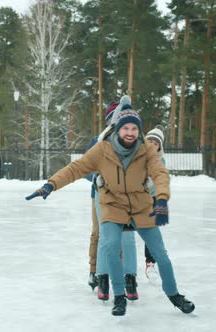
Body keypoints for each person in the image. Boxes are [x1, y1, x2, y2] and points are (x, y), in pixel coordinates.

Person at [26, 96, 195, 317]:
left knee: (160, 254)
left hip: (141, 206)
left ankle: (175, 296)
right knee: (111, 247)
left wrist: (161, 197)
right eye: (126, 127)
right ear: (117, 129)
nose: (130, 132)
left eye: (135, 128)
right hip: (113, 205)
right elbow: (76, 168)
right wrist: (51, 184)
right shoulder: (102, 149)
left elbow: (160, 174)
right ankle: (119, 296)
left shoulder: (147, 150)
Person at [85, 101, 138, 302]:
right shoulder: (99, 140)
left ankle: (125, 275)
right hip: (99, 194)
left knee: (125, 235)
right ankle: (95, 271)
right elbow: (87, 165)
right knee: (99, 233)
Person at [144, 127, 165, 280]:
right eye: (149, 141)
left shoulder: (160, 161)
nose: (152, 145)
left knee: (151, 230)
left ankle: (150, 262)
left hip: (152, 197)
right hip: (136, 197)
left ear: (159, 146)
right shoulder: (138, 156)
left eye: (155, 143)